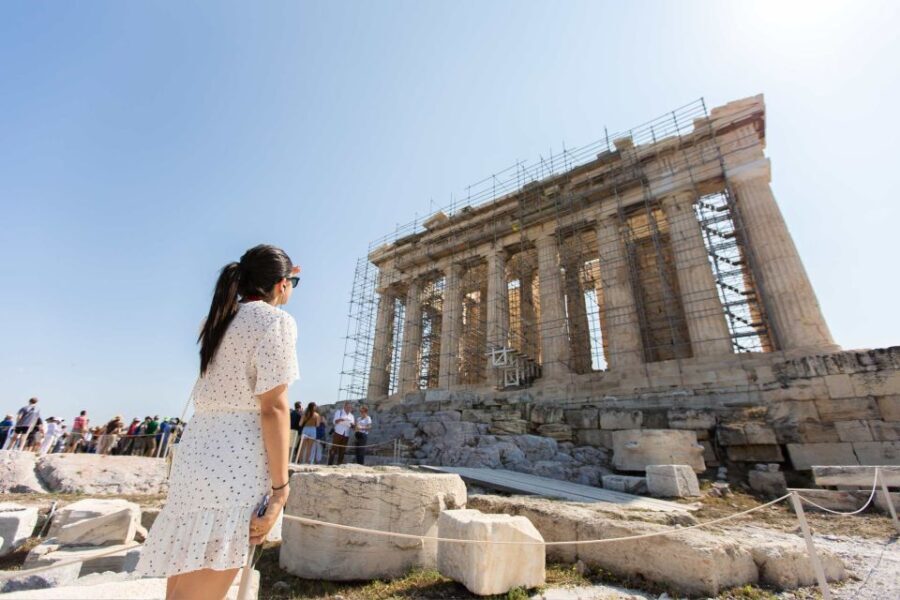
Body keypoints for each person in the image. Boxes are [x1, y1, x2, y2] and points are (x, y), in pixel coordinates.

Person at [138, 244, 300, 599]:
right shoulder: (276, 322)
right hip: (235, 463)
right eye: (293, 282)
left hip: (196, 454)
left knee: (181, 590)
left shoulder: (215, 321)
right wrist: (280, 490)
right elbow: (273, 408)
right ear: (281, 284)